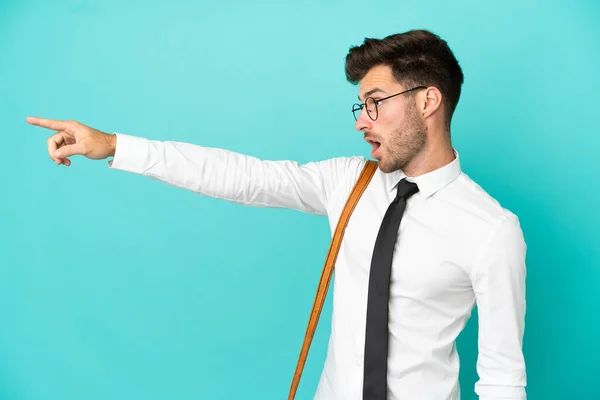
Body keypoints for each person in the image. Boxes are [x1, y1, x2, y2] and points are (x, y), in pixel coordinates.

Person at [27, 29, 527, 400]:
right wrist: (115, 145)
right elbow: (240, 175)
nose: (362, 123)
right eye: (359, 107)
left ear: (428, 101)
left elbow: (503, 379)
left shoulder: (490, 230)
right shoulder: (348, 182)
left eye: (375, 103)